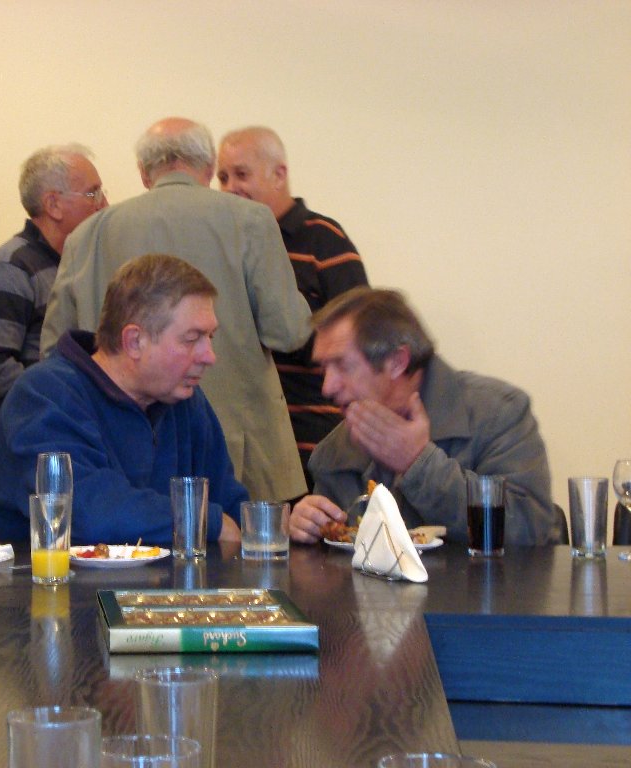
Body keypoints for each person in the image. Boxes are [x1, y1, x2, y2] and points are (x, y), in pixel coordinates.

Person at [42, 117, 312, 502]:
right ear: (209, 167)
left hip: (118, 445)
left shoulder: (87, 235)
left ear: (143, 172)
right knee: (239, 539)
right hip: (239, 449)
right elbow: (287, 331)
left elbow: (56, 350)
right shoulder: (251, 220)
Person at [0, 254, 248, 545]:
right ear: (134, 341)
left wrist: (273, 525)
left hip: (167, 576)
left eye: (210, 337)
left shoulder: (185, 400)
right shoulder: (43, 395)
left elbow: (229, 502)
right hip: (48, 575)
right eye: (192, 338)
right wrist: (207, 522)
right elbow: (88, 512)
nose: (209, 356)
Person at [286, 287, 554, 545]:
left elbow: (529, 531)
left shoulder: (498, 414)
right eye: (324, 369)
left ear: (397, 362)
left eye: (343, 365)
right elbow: (337, 559)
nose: (327, 387)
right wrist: (308, 529)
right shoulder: (332, 453)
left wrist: (418, 463)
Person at [218, 126, 368, 488]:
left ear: (279, 174)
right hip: (251, 447)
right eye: (222, 177)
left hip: (315, 444)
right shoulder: (225, 244)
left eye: (242, 174)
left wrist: (285, 329)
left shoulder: (324, 239)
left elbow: (360, 340)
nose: (230, 187)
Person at [0, 144, 106, 436]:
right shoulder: (11, 267)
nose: (104, 204)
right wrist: (70, 404)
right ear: (53, 204)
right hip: (36, 443)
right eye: (93, 193)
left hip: (80, 435)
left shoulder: (79, 263)